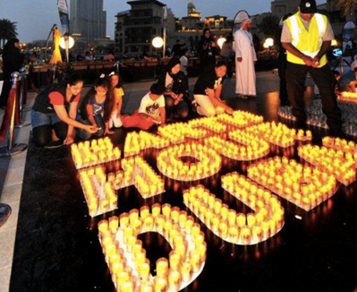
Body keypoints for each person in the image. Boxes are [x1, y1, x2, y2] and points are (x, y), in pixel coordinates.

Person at [282, 0, 343, 137]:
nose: (309, 15)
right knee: (295, 91)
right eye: (305, 12)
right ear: (298, 9)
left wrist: (318, 56)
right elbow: (285, 43)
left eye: (311, 12)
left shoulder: (322, 19)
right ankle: (300, 123)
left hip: (318, 61)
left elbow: (327, 40)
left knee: (327, 89)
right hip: (296, 61)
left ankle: (335, 126)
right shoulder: (290, 22)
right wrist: (304, 58)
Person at [31, 74, 98, 147]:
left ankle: (53, 128)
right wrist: (85, 127)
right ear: (68, 86)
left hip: (56, 111)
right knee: (41, 141)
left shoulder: (76, 93)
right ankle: (49, 127)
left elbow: (72, 114)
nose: (78, 90)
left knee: (64, 135)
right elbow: (65, 118)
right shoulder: (57, 94)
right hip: (41, 111)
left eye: (80, 88)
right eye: (76, 88)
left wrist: (69, 135)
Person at [77, 75, 115, 140]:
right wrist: (94, 123)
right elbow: (89, 114)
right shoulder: (91, 97)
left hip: (96, 115)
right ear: (95, 88)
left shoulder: (108, 98)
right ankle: (78, 128)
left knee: (100, 132)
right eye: (99, 91)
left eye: (103, 91)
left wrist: (107, 129)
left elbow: (107, 113)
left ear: (107, 90)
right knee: (87, 135)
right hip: (85, 115)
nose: (101, 93)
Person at [234, 19, 257, 99]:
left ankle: (250, 91)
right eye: (249, 24)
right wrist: (239, 55)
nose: (250, 26)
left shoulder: (249, 34)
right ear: (245, 24)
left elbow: (252, 46)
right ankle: (242, 92)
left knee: (250, 74)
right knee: (242, 74)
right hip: (242, 58)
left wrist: (254, 57)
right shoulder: (238, 33)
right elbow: (237, 45)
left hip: (249, 57)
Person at [0, 38, 24, 108]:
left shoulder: (6, 51)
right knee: (10, 88)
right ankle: (8, 103)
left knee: (7, 88)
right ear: (14, 43)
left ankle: (5, 102)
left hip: (8, 73)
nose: (18, 45)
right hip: (12, 73)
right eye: (17, 43)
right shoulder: (14, 52)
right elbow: (16, 62)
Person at [276, 14, 293, 106]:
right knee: (284, 78)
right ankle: (284, 97)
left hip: (293, 58)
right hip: (284, 58)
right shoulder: (280, 31)